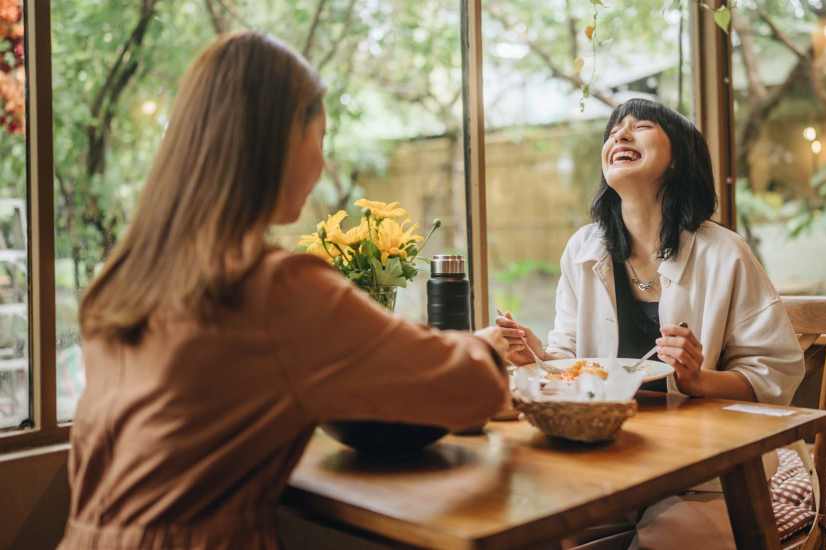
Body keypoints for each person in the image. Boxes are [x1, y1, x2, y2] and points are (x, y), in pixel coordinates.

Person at [59, 32, 509, 550]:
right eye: (319, 136)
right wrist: (486, 349)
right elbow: (472, 389)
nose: (321, 164)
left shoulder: (125, 280)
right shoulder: (275, 287)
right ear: (279, 143)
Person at [496, 98, 805, 549]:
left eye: (639, 127)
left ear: (679, 156)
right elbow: (571, 359)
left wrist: (699, 379)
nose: (619, 136)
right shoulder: (582, 250)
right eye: (613, 131)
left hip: (705, 467)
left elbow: (773, 375)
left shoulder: (725, 253)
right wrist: (538, 357)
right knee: (527, 530)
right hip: (604, 458)